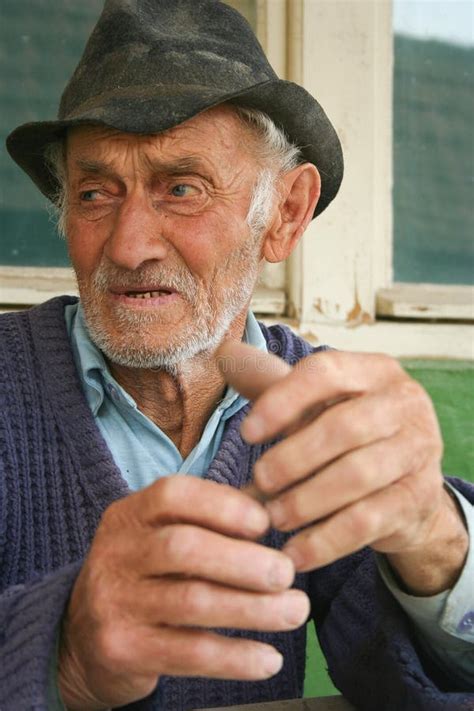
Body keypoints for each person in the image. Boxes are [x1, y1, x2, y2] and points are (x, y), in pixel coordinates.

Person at [1, 1, 473, 709]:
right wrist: (62, 652)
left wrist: (434, 538)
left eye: (181, 188)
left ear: (284, 213)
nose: (129, 246)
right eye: (96, 192)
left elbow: (419, 682)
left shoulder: (314, 415)